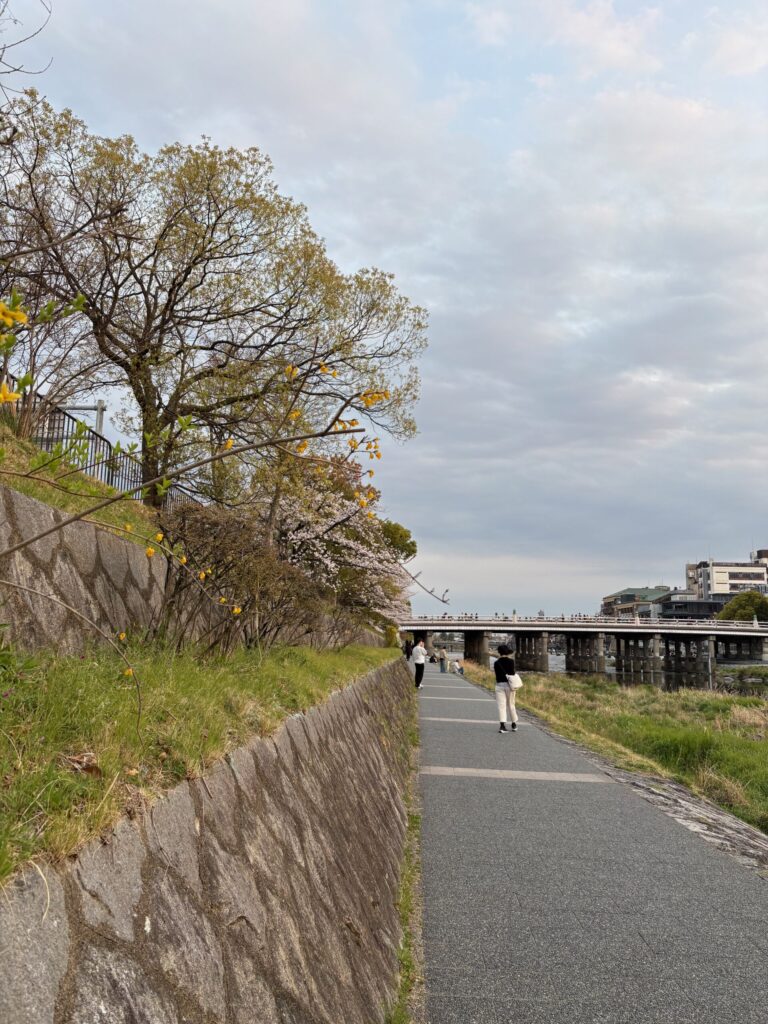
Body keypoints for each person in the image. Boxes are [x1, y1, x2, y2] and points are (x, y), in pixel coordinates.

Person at [493, 643, 519, 734]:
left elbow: (496, 675)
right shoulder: (511, 661)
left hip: (499, 685)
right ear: (507, 652)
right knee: (511, 704)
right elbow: (512, 673)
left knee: (501, 706)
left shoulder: (496, 663)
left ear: (499, 653)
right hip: (509, 686)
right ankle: (514, 724)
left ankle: (502, 726)